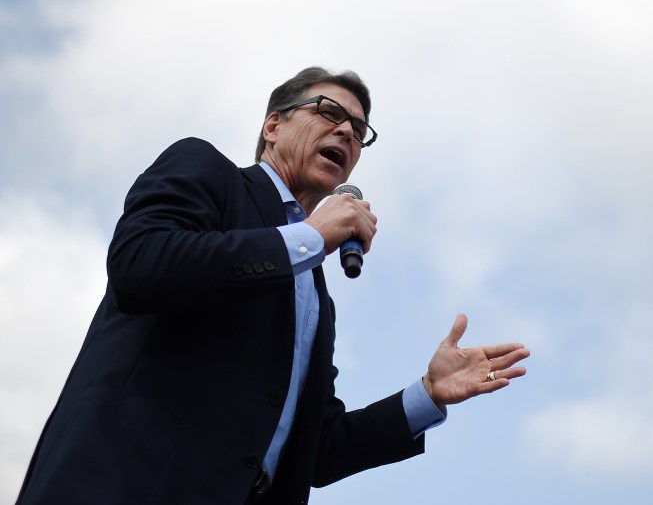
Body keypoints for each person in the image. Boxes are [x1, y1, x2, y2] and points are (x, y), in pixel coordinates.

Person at [16, 67, 530, 505]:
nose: (348, 133)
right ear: (273, 125)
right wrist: (307, 238)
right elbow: (140, 263)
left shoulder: (315, 295)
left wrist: (427, 395)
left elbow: (315, 448)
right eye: (330, 112)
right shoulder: (210, 173)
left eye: (359, 130)